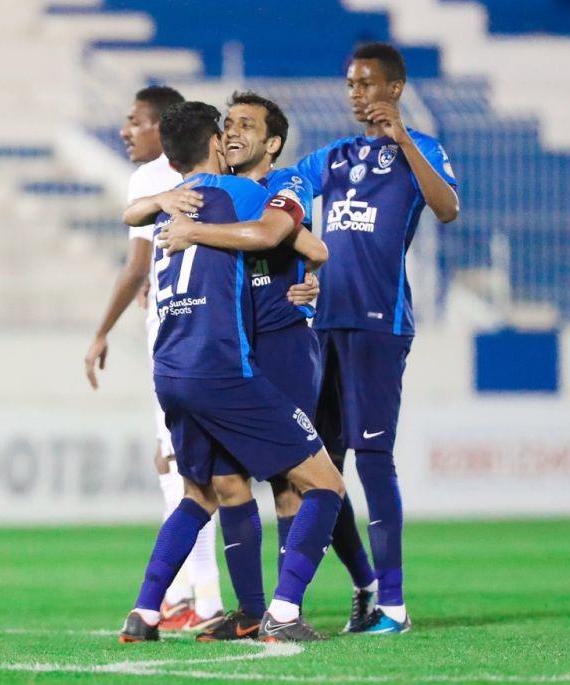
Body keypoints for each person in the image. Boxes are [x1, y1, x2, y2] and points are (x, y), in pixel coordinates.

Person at [118, 101, 346, 644]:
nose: (234, 134)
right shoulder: (238, 193)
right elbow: (302, 242)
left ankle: (146, 613)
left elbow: (130, 216)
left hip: (168, 370)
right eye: (228, 128)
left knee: (204, 491)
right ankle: (283, 613)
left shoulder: (167, 209)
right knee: (324, 485)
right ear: (217, 146)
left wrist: (161, 206)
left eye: (246, 124)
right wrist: (310, 263)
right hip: (221, 367)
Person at [291, 42, 460, 634]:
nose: (357, 94)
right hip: (324, 326)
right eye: (350, 85)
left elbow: (448, 209)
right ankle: (362, 585)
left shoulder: (424, 151)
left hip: (377, 325)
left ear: (395, 88)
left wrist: (407, 140)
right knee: (316, 468)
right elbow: (281, 195)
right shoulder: (333, 158)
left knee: (373, 460)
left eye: (367, 84)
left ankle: (394, 604)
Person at [83, 86, 224, 632]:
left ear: (165, 131)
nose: (126, 131)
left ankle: (202, 599)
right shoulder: (219, 179)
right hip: (206, 335)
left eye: (135, 121)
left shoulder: (151, 180)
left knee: (184, 471)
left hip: (176, 342)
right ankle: (190, 592)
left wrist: (99, 333)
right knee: (181, 466)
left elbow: (135, 266)